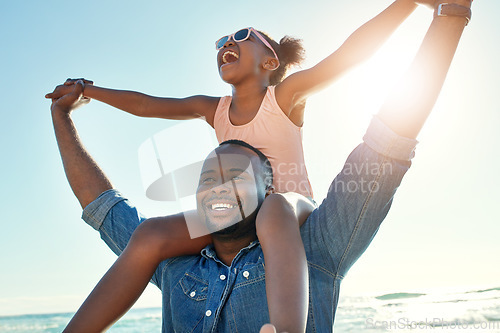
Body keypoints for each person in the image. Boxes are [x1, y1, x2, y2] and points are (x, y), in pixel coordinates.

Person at [48, 0, 472, 331]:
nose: (225, 45)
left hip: (289, 208)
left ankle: (286, 329)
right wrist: (89, 90)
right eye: (220, 44)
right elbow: (146, 104)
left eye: (241, 37)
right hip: (231, 210)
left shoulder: (285, 96)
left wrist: (408, 5)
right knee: (151, 233)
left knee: (272, 209)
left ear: (270, 62)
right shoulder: (212, 108)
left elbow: (347, 56)